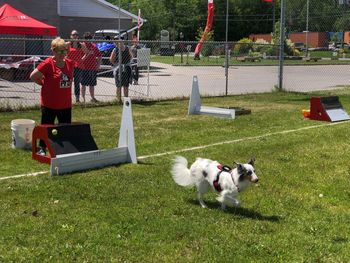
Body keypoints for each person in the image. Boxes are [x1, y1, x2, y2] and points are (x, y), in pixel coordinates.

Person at [30, 37, 74, 155]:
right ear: (53, 51)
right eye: (59, 51)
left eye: (64, 51)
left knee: (65, 129)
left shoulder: (70, 63)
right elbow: (33, 76)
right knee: (46, 128)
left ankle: (64, 149)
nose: (62, 53)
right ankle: (42, 148)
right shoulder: (47, 64)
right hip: (49, 104)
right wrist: (43, 83)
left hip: (65, 104)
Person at [109, 36, 132, 104]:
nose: (117, 41)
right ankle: (118, 100)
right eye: (116, 40)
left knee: (126, 85)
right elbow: (111, 59)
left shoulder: (127, 48)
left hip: (126, 68)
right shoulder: (115, 49)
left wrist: (127, 63)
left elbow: (131, 56)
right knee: (119, 85)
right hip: (118, 70)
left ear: (122, 40)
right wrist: (117, 65)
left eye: (118, 40)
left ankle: (126, 100)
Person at [81, 32, 102, 103]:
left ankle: (92, 98)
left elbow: (99, 56)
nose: (89, 40)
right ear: (85, 39)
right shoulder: (82, 46)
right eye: (87, 39)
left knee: (92, 84)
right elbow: (79, 58)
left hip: (92, 68)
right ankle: (83, 99)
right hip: (84, 68)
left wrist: (98, 65)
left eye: (90, 38)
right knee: (83, 84)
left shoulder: (94, 46)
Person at [66, 30, 84, 103]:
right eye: (73, 35)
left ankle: (77, 99)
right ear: (71, 36)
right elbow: (61, 51)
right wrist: (65, 58)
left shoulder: (81, 45)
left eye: (76, 35)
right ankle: (66, 98)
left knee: (77, 83)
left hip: (78, 66)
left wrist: (81, 59)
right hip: (68, 66)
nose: (75, 36)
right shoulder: (67, 44)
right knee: (67, 82)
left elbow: (87, 53)